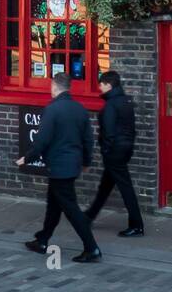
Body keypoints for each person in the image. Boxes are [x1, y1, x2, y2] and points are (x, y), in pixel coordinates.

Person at [16, 71, 101, 263]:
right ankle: (42, 240)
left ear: (54, 86)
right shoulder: (80, 109)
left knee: (71, 210)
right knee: (53, 206)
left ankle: (92, 248)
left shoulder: (52, 110)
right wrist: (86, 162)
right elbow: (88, 140)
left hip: (59, 166)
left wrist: (27, 158)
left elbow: (42, 141)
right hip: (71, 165)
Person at [84, 71, 144, 237]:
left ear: (109, 85)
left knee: (125, 188)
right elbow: (131, 128)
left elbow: (108, 132)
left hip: (114, 152)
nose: (99, 87)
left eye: (101, 84)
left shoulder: (111, 105)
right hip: (125, 149)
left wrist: (106, 150)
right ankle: (89, 216)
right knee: (105, 186)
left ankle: (137, 225)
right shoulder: (126, 101)